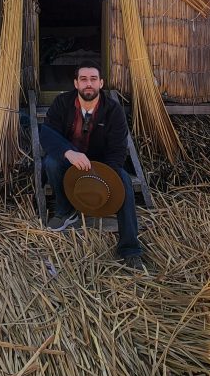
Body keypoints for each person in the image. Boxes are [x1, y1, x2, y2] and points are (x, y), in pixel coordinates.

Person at [39, 61, 144, 270]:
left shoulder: (113, 110)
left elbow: (117, 149)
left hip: (103, 163)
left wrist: (104, 175)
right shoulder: (62, 103)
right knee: (51, 162)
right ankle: (66, 211)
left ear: (101, 83)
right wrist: (67, 152)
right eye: (84, 79)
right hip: (70, 160)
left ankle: (130, 249)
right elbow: (47, 134)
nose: (89, 84)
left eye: (93, 79)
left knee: (124, 183)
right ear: (76, 83)